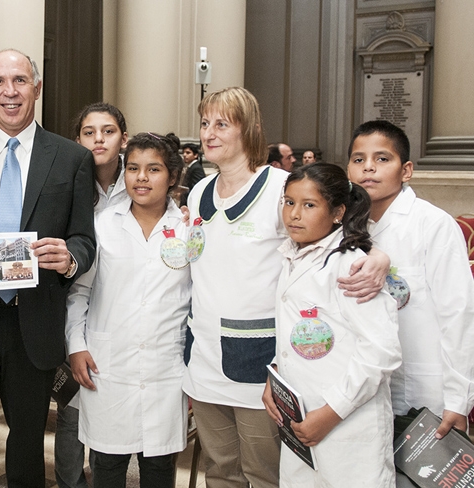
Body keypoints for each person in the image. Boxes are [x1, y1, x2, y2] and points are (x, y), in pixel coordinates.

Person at [184, 87, 388, 488]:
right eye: (205, 123)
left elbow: (339, 232)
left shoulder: (280, 188)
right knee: (221, 471)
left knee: (264, 474)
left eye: (222, 124)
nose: (209, 133)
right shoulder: (199, 191)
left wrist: (378, 255)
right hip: (204, 355)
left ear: (250, 130)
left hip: (259, 360)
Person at [0, 48, 96, 487]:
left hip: (36, 325)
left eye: (20, 81)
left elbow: (84, 237)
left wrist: (70, 258)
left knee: (27, 454)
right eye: (0, 82)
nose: (10, 92)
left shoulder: (70, 159)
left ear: (37, 88)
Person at [346, 120, 474, 487]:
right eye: (358, 159)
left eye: (381, 158)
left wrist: (458, 399)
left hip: (426, 386)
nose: (368, 167)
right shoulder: (348, 227)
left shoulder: (431, 224)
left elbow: (459, 313)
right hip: (369, 386)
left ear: (406, 170)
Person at [262, 163, 401, 486]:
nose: (294, 214)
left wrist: (331, 413)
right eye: (289, 202)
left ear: (338, 212)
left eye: (309, 205)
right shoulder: (294, 255)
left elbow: (381, 353)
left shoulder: (353, 264)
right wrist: (277, 373)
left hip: (347, 426)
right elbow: (296, 334)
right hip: (302, 420)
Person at [68, 132, 190, 488]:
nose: (140, 178)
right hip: (109, 366)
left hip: (166, 369)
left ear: (172, 176)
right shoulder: (102, 224)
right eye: (133, 168)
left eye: (153, 169)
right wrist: (76, 345)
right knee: (106, 467)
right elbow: (79, 292)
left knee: (158, 470)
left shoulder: (188, 227)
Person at [54, 102, 129, 488]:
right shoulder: (65, 181)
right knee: (70, 412)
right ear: (77, 139)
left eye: (108, 130)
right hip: (69, 311)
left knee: (107, 415)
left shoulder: (137, 185)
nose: (98, 139)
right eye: (88, 132)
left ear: (123, 139)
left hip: (119, 314)